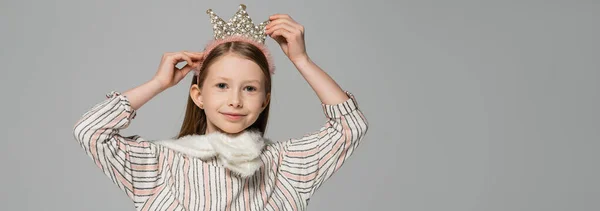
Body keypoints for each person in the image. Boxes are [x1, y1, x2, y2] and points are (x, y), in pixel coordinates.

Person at [73, 4, 368, 211]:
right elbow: (91, 131)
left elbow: (350, 127)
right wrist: (158, 83)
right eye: (222, 86)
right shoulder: (159, 167)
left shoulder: (284, 168)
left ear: (264, 99)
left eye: (250, 88)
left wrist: (302, 60)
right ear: (198, 96)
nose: (235, 100)